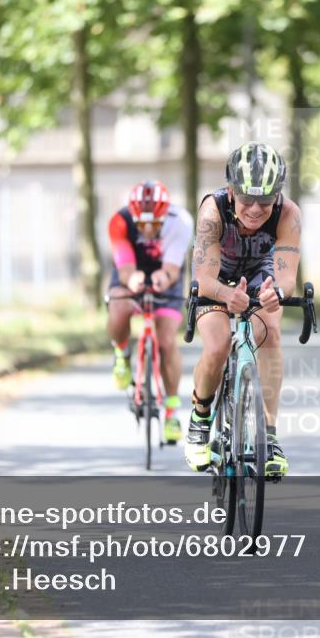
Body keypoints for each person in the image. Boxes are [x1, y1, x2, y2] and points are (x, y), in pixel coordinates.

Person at [185, 141, 302, 477]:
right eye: (246, 198)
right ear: (231, 190)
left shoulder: (288, 213)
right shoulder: (213, 210)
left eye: (265, 201)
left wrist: (276, 293)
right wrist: (226, 295)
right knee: (218, 344)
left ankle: (269, 435)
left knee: (271, 333)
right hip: (217, 277)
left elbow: (287, 277)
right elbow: (204, 278)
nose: (254, 208)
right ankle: (200, 418)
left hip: (261, 272)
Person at [107, 181, 193, 443]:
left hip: (165, 271)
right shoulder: (119, 222)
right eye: (141, 224)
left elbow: (171, 269)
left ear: (164, 215)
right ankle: (122, 354)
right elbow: (124, 266)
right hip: (131, 269)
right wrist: (131, 279)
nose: (147, 229)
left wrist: (162, 278)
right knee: (118, 307)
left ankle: (172, 412)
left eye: (154, 223)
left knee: (166, 341)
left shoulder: (180, 221)